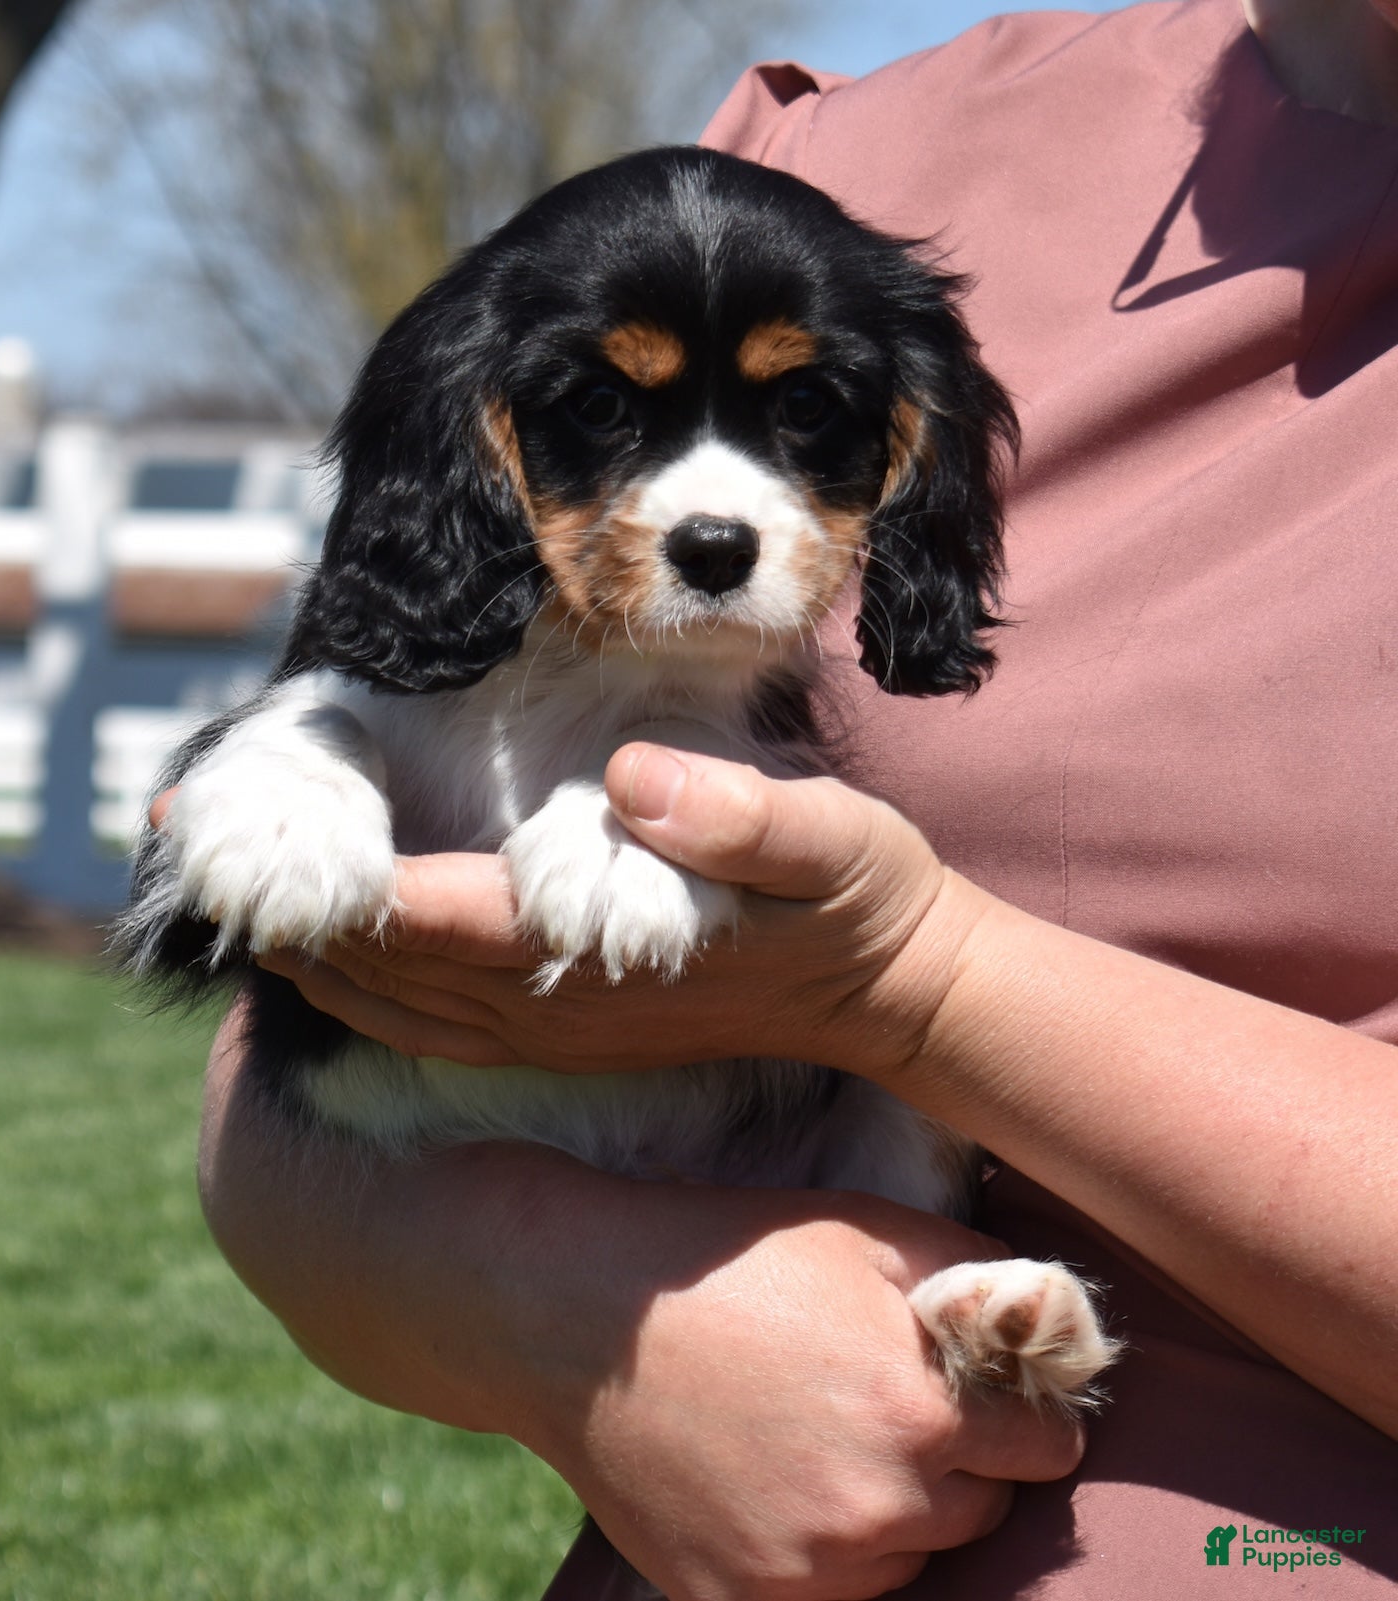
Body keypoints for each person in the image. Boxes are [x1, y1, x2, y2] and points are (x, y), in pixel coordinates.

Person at [186, 0, 1398, 1594]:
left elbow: (886, 964)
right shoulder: (834, 155)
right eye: (608, 413)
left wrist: (916, 988)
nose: (711, 502)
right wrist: (581, 1314)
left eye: (806, 417)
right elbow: (287, 1090)